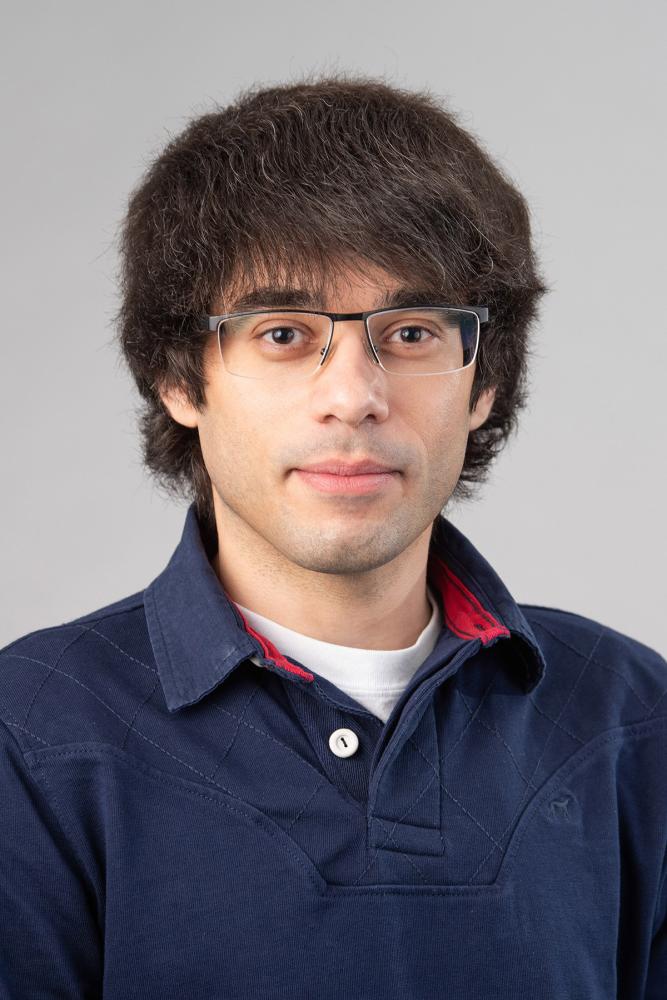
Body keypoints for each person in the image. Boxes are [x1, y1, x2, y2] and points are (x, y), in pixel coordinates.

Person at [1, 72, 665, 1000]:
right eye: (281, 333)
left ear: (482, 385)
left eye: (411, 332)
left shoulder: (634, 720)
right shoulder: (30, 736)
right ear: (180, 381)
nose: (353, 394)